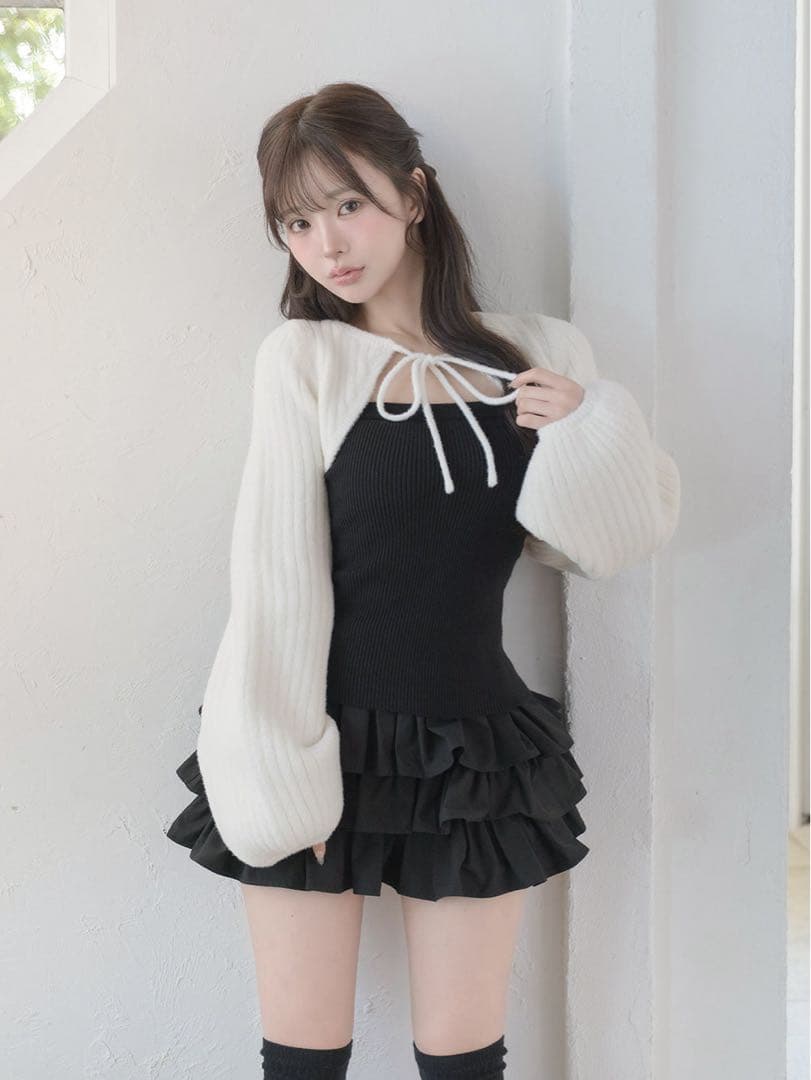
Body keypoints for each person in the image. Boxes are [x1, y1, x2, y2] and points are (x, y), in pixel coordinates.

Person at [165, 81, 681, 1080]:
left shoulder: (535, 353)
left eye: (347, 204)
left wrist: (585, 426)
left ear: (412, 192)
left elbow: (599, 547)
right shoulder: (305, 360)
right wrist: (286, 786)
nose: (327, 245)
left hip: (473, 756)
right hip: (314, 741)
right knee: (303, 1062)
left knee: (463, 1062)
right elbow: (273, 580)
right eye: (297, 223)